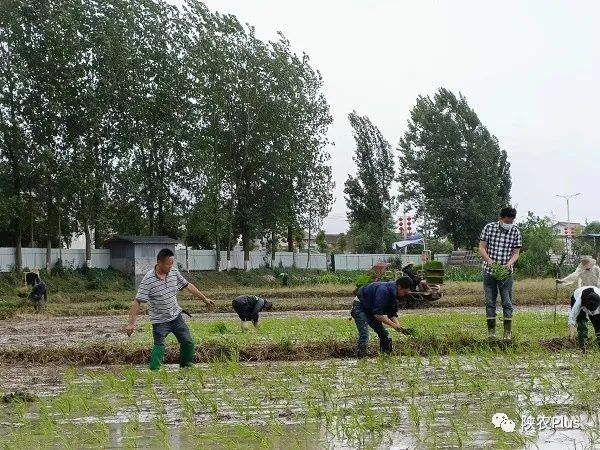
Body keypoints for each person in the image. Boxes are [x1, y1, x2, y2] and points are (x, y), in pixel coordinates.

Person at [125, 248, 215, 370]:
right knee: (159, 346)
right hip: (160, 321)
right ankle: (154, 371)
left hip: (176, 317)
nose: (171, 266)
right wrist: (131, 323)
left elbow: (188, 286)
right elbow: (137, 301)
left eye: (172, 263)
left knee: (188, 342)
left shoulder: (174, 272)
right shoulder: (148, 279)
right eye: (168, 264)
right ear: (159, 263)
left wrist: (204, 299)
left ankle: (186, 366)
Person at [479, 207, 523, 341]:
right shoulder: (489, 228)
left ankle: (507, 334)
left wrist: (509, 263)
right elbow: (481, 247)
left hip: (506, 273)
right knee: (490, 302)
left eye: (511, 222)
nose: (509, 224)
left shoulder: (515, 232)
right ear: (500, 219)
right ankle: (491, 334)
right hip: (489, 271)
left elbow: (516, 253)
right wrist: (489, 260)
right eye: (506, 221)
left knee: (507, 302)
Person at [350, 276, 413, 357]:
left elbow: (392, 313)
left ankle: (386, 356)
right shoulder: (383, 291)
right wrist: (393, 325)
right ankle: (361, 358)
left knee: (384, 333)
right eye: (404, 292)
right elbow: (378, 314)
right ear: (399, 287)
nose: (404, 295)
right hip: (360, 307)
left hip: (371, 309)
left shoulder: (394, 294)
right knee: (364, 335)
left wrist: (398, 326)